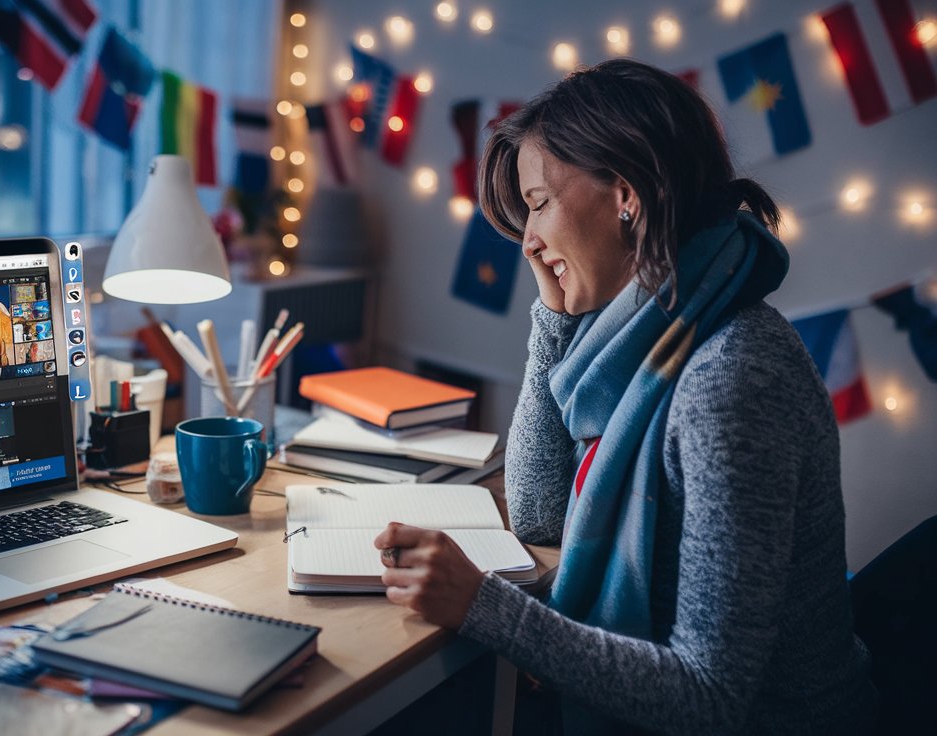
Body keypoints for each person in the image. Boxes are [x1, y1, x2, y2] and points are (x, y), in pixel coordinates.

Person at [372, 60, 875, 734]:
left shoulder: (728, 378)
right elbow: (541, 513)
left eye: (540, 202)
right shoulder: (656, 339)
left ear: (627, 194)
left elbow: (710, 697)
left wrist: (483, 606)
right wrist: (554, 320)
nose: (528, 240)